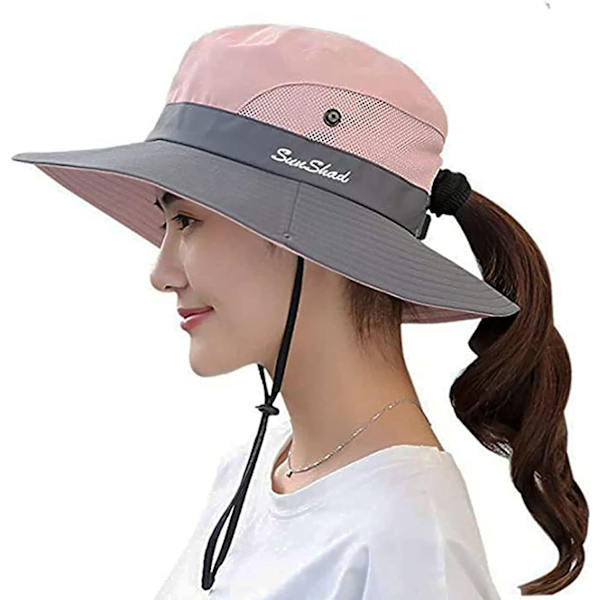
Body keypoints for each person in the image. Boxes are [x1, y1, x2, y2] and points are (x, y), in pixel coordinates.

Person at [12, 23, 587, 598]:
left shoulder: (407, 541)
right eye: (167, 224)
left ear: (311, 236)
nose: (161, 274)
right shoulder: (260, 469)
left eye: (186, 220)